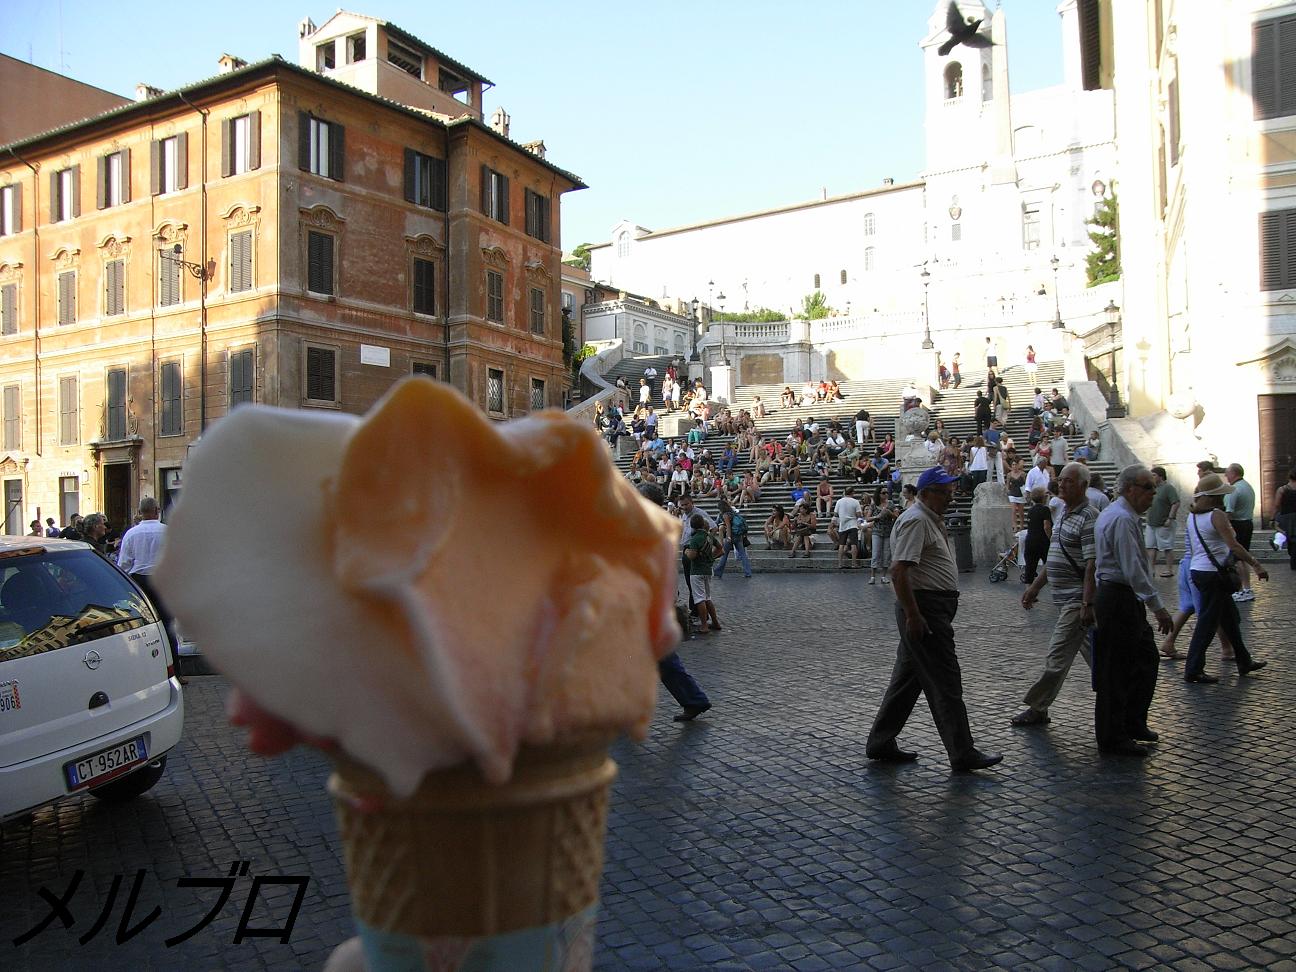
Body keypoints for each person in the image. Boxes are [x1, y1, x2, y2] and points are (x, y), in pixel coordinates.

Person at [865, 467, 1002, 771]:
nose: (950, 496)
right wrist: (914, 614)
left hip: (928, 608)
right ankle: (962, 751)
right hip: (924, 609)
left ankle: (880, 741)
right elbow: (899, 571)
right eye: (943, 491)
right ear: (926, 493)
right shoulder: (916, 520)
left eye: (951, 490)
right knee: (946, 681)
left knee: (906, 682)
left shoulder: (928, 519)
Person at [1092, 466, 1174, 757]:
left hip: (1121, 597)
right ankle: (1113, 736)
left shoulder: (1121, 515)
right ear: (1130, 489)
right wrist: (1159, 608)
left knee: (1145, 660)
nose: (1154, 493)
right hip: (1119, 598)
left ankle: (1132, 721)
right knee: (1117, 670)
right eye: (1148, 487)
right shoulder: (1122, 519)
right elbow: (1133, 570)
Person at [1012, 463, 1098, 728]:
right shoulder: (1063, 512)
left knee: (1056, 656)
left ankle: (1038, 707)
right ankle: (1120, 693)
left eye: (1068, 481)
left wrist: (1086, 603)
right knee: (1099, 657)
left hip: (1076, 602)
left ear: (1083, 485)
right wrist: (1036, 586)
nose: (1061, 484)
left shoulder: (1089, 517)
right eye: (1060, 480)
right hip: (1066, 601)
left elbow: (1091, 564)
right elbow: (1056, 556)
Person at [1182, 473, 1269, 683]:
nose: (1222, 499)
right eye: (1220, 496)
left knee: (1230, 619)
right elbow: (1234, 546)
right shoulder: (1217, 515)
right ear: (1213, 498)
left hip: (1200, 570)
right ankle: (1193, 669)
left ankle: (1244, 660)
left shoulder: (1191, 516)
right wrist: (1256, 565)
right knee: (1207, 622)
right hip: (1214, 574)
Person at [118, 495, 176, 642]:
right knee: (167, 622)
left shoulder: (131, 534)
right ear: (157, 511)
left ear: (140, 512)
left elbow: (124, 564)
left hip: (140, 581)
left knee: (144, 621)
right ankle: (171, 658)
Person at [1223, 463, 1257, 602]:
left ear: (1234, 473)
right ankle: (1245, 589)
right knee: (1242, 557)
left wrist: (1225, 529)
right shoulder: (1247, 486)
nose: (1226, 476)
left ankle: (1244, 589)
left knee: (1238, 558)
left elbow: (1228, 512)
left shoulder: (1234, 489)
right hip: (1247, 523)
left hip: (1237, 524)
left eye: (1227, 473)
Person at [1144, 466, 1180, 578]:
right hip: (1151, 522)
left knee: (1167, 547)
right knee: (1150, 547)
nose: (1152, 477)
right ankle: (1151, 569)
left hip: (1164, 522)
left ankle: (1169, 569)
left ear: (1161, 476)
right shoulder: (1152, 488)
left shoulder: (1168, 488)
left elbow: (1176, 502)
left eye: (1154, 475)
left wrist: (1170, 518)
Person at [713, 498, 753, 579]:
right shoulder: (732, 513)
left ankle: (718, 572)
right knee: (743, 555)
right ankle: (748, 572)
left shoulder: (725, 515)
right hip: (739, 536)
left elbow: (728, 527)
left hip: (732, 536)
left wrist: (728, 537)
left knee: (724, 554)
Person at [1022, 487, 1053, 585]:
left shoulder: (1031, 510)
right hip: (1042, 541)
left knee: (1030, 567)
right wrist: (1051, 538)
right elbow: (1046, 526)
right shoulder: (1045, 509)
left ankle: (1028, 590)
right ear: (1043, 497)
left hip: (1030, 540)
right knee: (1049, 564)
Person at [834, 486, 864, 569]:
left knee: (841, 544)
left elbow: (835, 514)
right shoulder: (855, 502)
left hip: (843, 525)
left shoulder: (839, 501)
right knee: (854, 544)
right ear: (852, 493)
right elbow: (859, 514)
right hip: (852, 524)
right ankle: (853, 563)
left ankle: (840, 564)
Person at [1274, 466, 1296, 571]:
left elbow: (1277, 505)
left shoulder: (1282, 489)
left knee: (1287, 536)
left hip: (1287, 518)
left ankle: (1279, 544)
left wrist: (1272, 518)